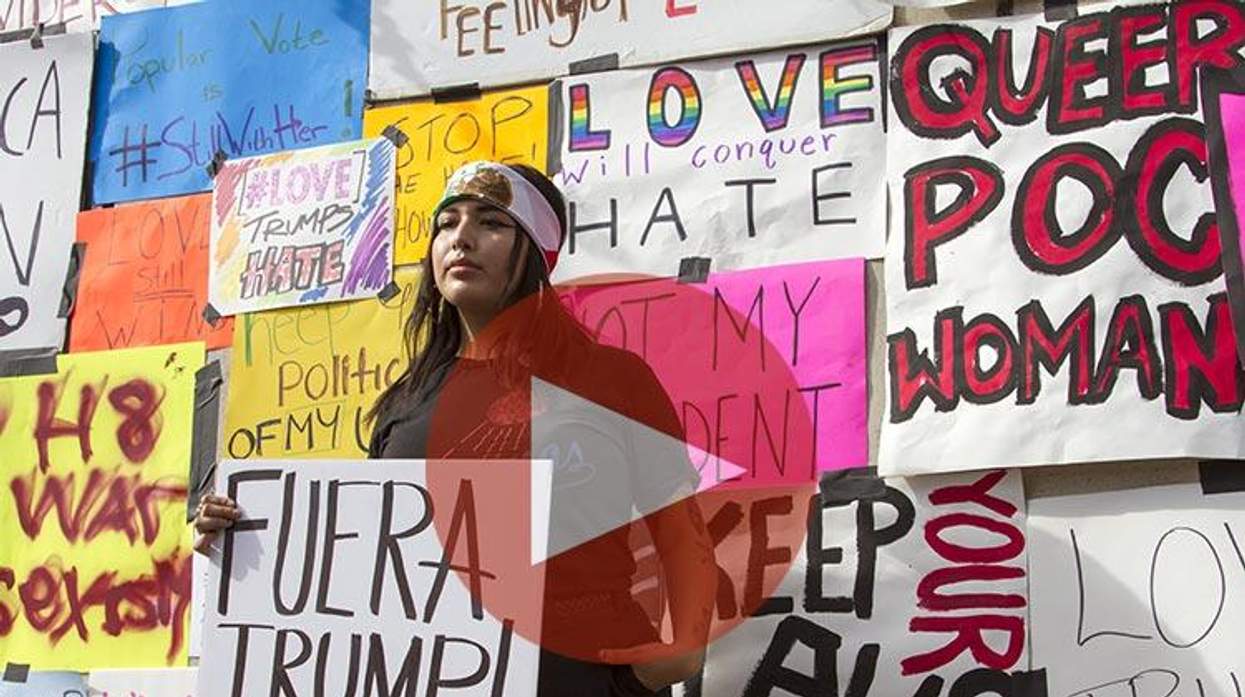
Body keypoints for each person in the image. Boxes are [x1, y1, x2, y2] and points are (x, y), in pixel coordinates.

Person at [195, 161, 716, 697]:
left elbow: (680, 528)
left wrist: (681, 649)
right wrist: (246, 540)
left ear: (537, 251)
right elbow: (369, 567)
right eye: (447, 224)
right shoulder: (405, 402)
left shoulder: (612, 379)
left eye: (491, 223)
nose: (461, 238)